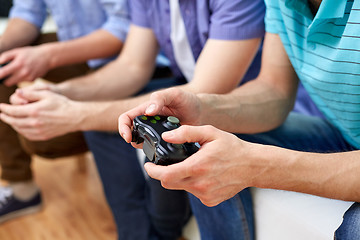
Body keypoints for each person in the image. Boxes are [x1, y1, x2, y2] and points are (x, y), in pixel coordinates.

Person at [0, 0, 280, 239]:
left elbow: (206, 91)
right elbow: (132, 66)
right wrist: (62, 92)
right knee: (104, 126)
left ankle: (158, 229)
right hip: (187, 86)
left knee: (179, 167)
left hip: (233, 101)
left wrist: (76, 114)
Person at [118, 0, 360, 239]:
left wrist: (259, 167)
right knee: (204, 139)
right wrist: (202, 108)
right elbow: (274, 90)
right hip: (344, 132)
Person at [0, 0, 129, 224]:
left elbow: (125, 28)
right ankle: (21, 187)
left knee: (42, 139)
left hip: (124, 56)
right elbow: (26, 14)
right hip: (77, 49)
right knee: (5, 63)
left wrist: (48, 56)